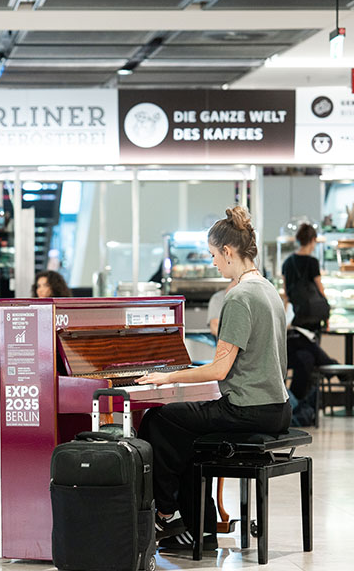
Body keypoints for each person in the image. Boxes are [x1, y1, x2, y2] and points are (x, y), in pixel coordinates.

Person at [136, 206, 291, 552]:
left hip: (248, 409)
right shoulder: (269, 291)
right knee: (189, 435)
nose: (213, 264)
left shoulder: (238, 297)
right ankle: (198, 527)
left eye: (213, 256)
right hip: (278, 406)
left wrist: (167, 377)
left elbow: (220, 370)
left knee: (157, 421)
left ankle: (164, 511)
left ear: (228, 251)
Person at [281, 222, 327, 332]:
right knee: (311, 346)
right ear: (312, 241)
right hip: (312, 314)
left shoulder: (287, 262)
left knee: (296, 345)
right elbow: (320, 289)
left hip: (296, 314)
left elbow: (286, 293)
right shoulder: (313, 262)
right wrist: (326, 313)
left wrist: (284, 317)